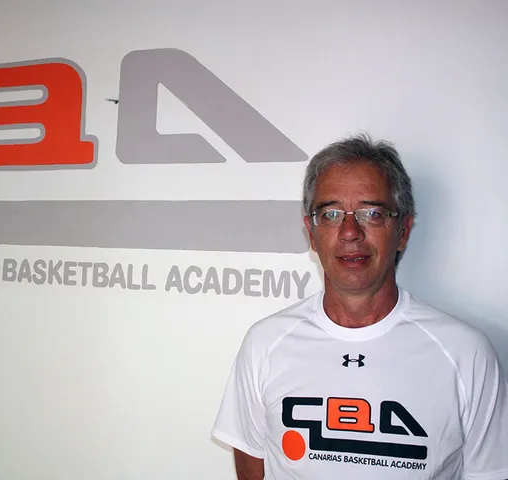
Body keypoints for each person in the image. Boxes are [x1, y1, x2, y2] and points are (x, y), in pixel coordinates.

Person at [211, 133, 508, 479]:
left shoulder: (466, 354)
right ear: (311, 232)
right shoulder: (265, 344)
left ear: (404, 230)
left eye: (372, 213)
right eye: (331, 213)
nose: (350, 231)